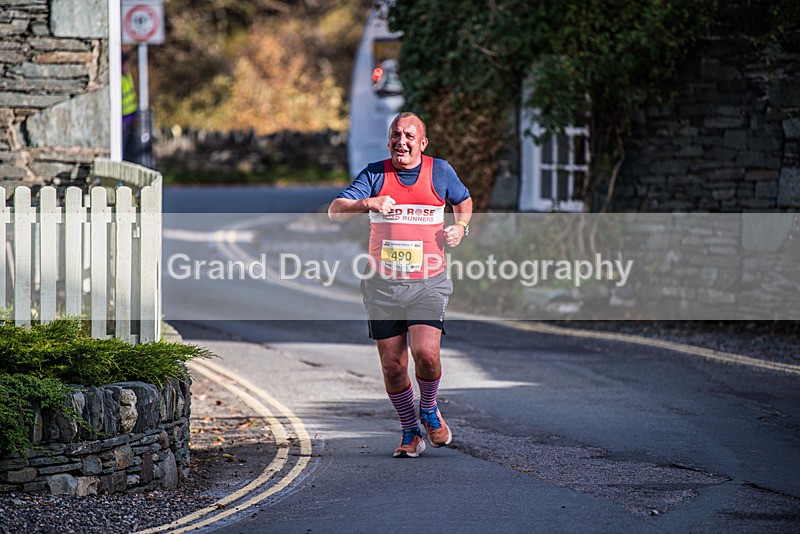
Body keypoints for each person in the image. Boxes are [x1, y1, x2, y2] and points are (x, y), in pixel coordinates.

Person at [328, 112, 473, 458]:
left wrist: (461, 228)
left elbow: (463, 201)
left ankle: (430, 408)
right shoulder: (376, 174)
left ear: (422, 143)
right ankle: (410, 431)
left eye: (409, 136)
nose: (401, 142)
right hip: (382, 287)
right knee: (393, 365)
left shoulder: (439, 171)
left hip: (428, 282)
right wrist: (368, 202)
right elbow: (335, 210)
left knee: (426, 353)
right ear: (389, 139)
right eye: (396, 135)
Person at [121, 48, 141, 165]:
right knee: (124, 150)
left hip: (130, 117)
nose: (128, 65)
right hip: (123, 120)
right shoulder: (118, 78)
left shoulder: (126, 75)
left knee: (131, 151)